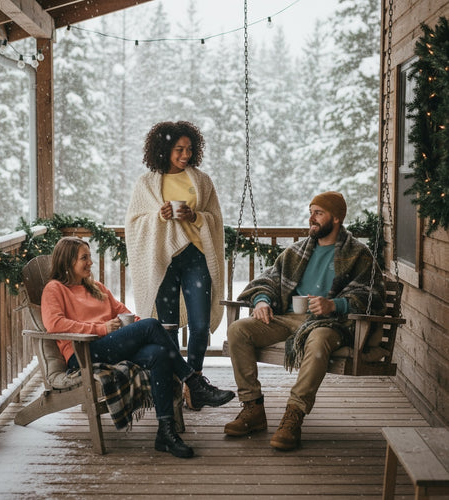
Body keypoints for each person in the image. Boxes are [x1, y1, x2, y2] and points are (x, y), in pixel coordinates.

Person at [41, 236, 234, 459]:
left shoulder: (96, 288)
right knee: (152, 324)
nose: (90, 262)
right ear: (67, 262)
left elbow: (125, 313)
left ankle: (166, 432)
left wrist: (140, 326)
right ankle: (193, 382)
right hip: (83, 353)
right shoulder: (54, 289)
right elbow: (55, 324)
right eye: (84, 258)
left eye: (89, 257)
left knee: (159, 353)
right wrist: (102, 328)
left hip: (110, 347)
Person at [223, 191, 386, 451]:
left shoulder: (358, 254)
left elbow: (372, 295)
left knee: (319, 340)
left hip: (329, 323)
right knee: (238, 330)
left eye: (318, 213)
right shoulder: (297, 251)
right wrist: (262, 300)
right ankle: (252, 408)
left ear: (336, 218)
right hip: (287, 318)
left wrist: (335, 304)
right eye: (311, 211)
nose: (311, 218)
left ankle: (294, 415)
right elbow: (268, 279)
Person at [125, 120, 234, 410]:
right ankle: (175, 385)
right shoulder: (147, 183)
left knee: (200, 325)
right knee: (166, 326)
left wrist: (195, 216)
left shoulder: (202, 181)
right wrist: (158, 217)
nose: (185, 155)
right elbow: (134, 223)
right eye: (178, 149)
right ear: (163, 150)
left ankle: (195, 380)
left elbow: (215, 219)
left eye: (189, 149)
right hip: (162, 260)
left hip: (196, 256)